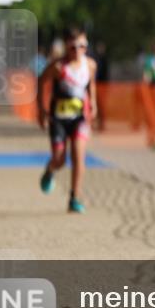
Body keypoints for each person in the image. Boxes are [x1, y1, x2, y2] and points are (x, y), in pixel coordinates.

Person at [37, 27, 98, 214]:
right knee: (60, 159)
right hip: (58, 119)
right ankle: (50, 170)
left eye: (82, 46)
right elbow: (41, 82)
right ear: (66, 46)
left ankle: (75, 197)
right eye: (73, 46)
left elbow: (91, 84)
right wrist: (42, 110)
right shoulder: (57, 67)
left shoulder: (90, 65)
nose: (78, 50)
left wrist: (93, 101)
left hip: (79, 118)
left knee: (79, 156)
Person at [93, 42, 110, 132]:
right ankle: (96, 122)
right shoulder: (95, 58)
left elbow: (106, 73)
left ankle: (102, 123)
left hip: (103, 85)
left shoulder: (104, 59)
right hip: (97, 84)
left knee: (102, 105)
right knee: (96, 104)